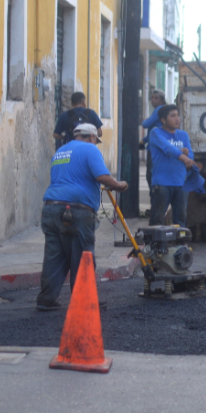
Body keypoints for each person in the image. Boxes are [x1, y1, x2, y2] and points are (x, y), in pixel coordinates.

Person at [36, 123, 128, 311]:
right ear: (92, 137)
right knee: (82, 256)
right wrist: (119, 185)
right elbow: (102, 176)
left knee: (54, 256)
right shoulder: (90, 149)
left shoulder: (61, 152)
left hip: (51, 209)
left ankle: (46, 299)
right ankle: (84, 299)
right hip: (76, 211)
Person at [147, 104, 196, 227]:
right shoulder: (156, 133)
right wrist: (182, 155)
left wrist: (187, 154)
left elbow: (191, 156)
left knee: (181, 219)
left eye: (178, 116)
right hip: (162, 184)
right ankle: (156, 245)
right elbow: (167, 148)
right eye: (173, 116)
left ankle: (179, 245)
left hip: (181, 184)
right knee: (157, 219)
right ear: (163, 120)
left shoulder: (183, 135)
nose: (177, 119)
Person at [140, 89, 167, 188]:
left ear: (162, 100)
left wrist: (144, 120)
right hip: (159, 146)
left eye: (156, 98)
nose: (153, 100)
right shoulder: (163, 109)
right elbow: (154, 130)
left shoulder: (159, 109)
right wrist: (145, 139)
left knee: (151, 175)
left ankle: (155, 195)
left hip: (154, 148)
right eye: (152, 97)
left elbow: (146, 124)